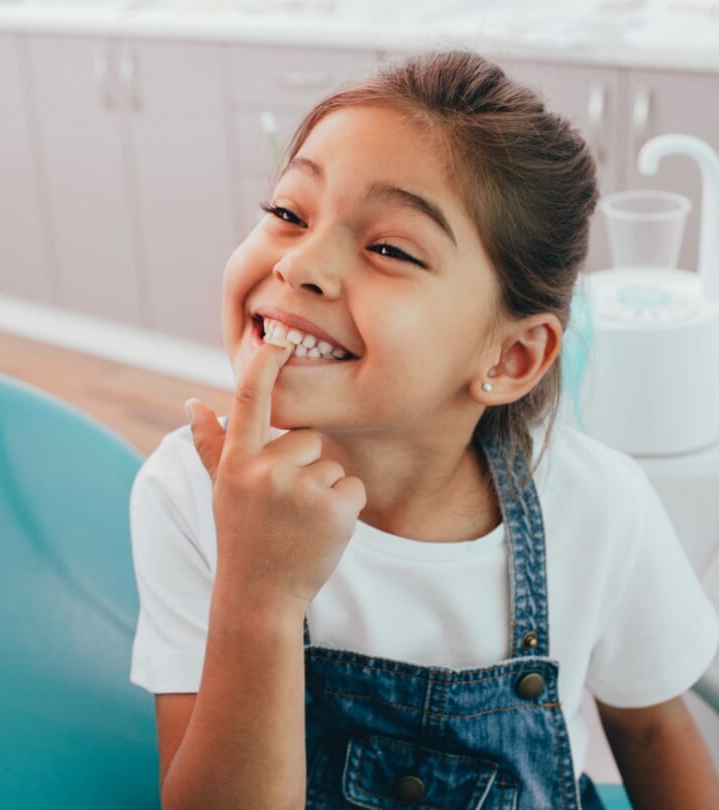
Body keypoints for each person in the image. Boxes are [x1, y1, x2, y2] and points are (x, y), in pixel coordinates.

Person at [128, 48, 719, 809]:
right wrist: (259, 593)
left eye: (388, 248)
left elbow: (651, 732)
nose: (301, 263)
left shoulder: (601, 506)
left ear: (509, 357)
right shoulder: (186, 493)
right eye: (287, 212)